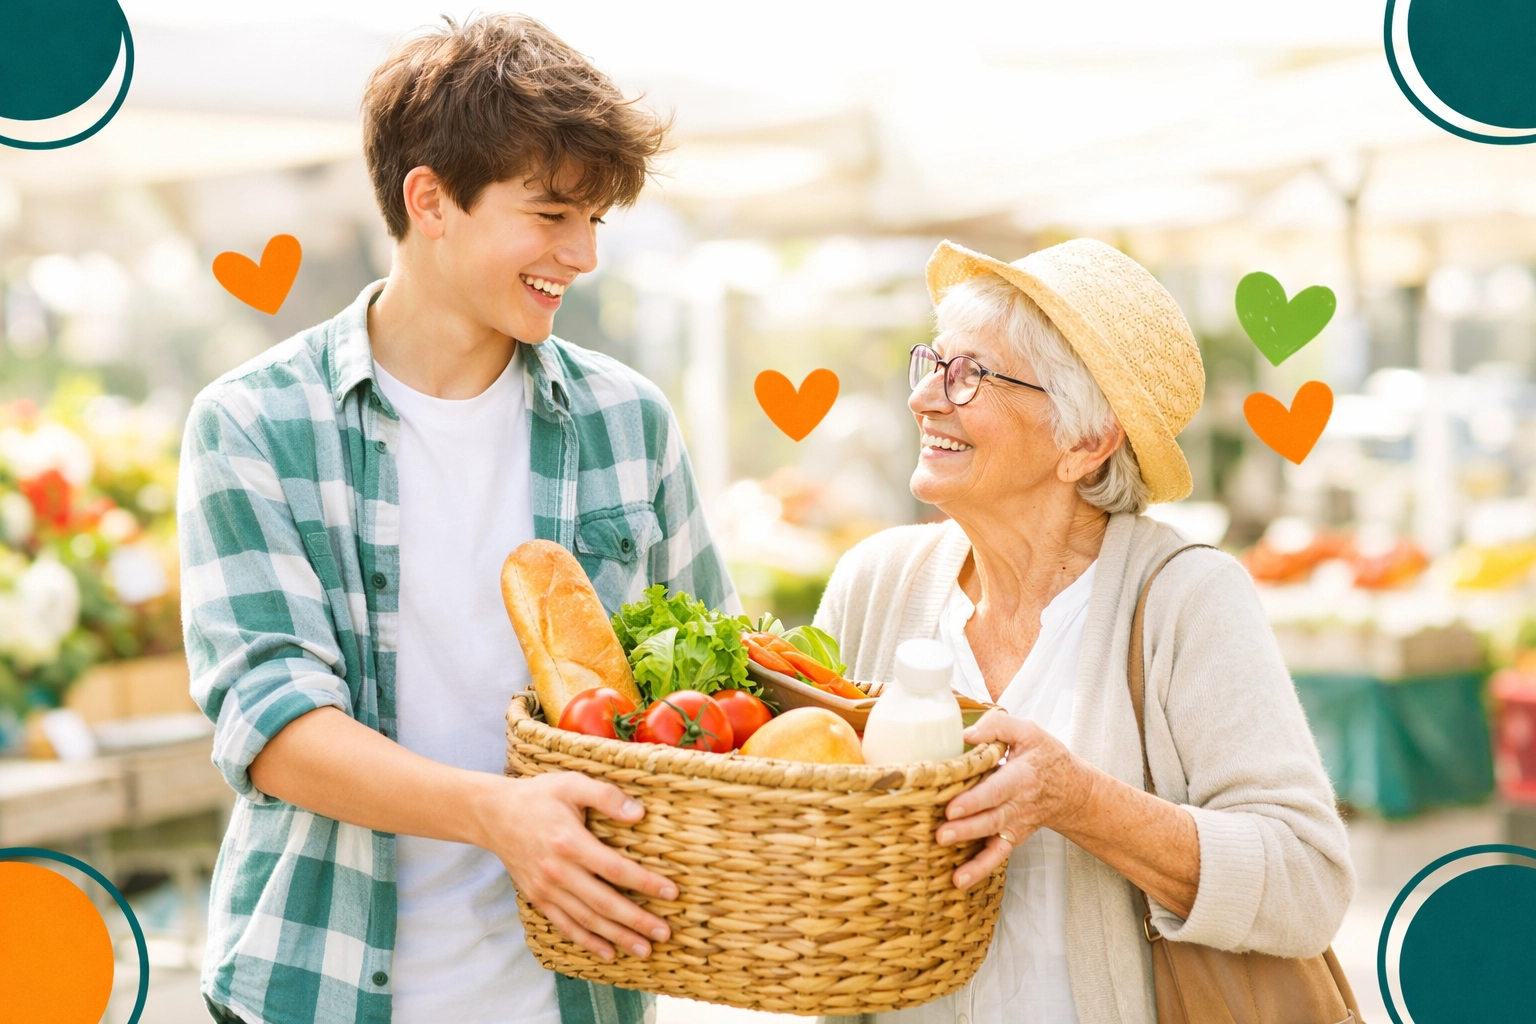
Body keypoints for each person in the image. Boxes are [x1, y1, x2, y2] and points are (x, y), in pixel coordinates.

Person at [178, 15, 734, 1024]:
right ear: (429, 198)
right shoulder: (257, 422)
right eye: (553, 215)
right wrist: (499, 817)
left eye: (596, 221)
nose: (583, 254)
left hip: (575, 992)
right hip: (322, 984)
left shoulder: (629, 422)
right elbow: (273, 726)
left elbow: (710, 694)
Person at [814, 239, 1353, 1024]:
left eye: (970, 375)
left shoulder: (1186, 599)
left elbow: (1307, 882)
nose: (926, 397)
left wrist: (1078, 801)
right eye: (933, 362)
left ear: (1085, 441)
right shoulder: (875, 584)